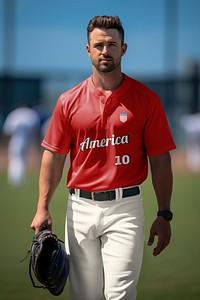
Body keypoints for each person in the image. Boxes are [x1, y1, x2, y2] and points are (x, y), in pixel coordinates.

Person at [31, 16, 176, 300]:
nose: (105, 51)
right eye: (99, 45)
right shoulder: (68, 100)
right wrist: (42, 207)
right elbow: (54, 156)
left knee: (119, 294)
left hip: (126, 209)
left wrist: (164, 213)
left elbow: (160, 159)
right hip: (80, 209)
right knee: (84, 296)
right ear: (88, 50)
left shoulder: (147, 99)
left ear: (124, 48)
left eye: (112, 44)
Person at [2, 104, 40, 186]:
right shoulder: (31, 114)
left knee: (15, 159)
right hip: (26, 140)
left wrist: (5, 143)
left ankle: (15, 180)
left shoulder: (14, 114)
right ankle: (18, 180)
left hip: (15, 140)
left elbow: (7, 131)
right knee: (22, 159)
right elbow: (36, 131)